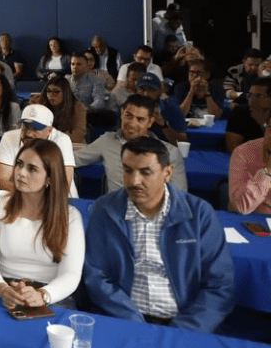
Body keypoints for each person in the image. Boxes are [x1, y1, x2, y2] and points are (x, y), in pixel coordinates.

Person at [83, 136, 234, 333]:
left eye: (145, 172)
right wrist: (132, 321)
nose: (134, 181)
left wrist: (184, 329)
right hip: (123, 319)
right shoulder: (104, 210)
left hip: (184, 323)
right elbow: (96, 276)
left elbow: (220, 285)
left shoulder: (199, 214)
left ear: (167, 172)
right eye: (127, 170)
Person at [0, 138, 85, 309]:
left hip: (53, 296)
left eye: (32, 169)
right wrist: (2, 289)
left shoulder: (71, 217)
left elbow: (71, 274)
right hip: (6, 291)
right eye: (19, 164)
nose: (21, 173)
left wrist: (43, 295)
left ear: (50, 178)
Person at [74, 94, 187, 193]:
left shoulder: (170, 152)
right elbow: (73, 159)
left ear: (150, 122)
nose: (132, 124)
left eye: (140, 119)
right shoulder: (107, 141)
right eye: (129, 116)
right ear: (122, 113)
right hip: (116, 208)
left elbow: (179, 196)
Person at [0, 105, 78, 198]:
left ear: (49, 130)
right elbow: (0, 180)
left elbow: (62, 185)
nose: (28, 133)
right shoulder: (9, 137)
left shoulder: (62, 140)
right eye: (26, 126)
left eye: (35, 128)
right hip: (21, 198)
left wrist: (29, 193)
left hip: (59, 200)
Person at [227, 117, 271, 214]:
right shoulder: (244, 152)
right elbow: (240, 206)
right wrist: (268, 171)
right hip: (252, 218)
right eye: (270, 128)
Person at [135, 73, 188, 144]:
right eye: (142, 89)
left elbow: (182, 141)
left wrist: (163, 124)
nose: (146, 94)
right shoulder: (127, 109)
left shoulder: (171, 108)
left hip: (164, 148)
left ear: (160, 90)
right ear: (136, 90)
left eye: (151, 90)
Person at [34, 76, 87, 144]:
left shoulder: (78, 107)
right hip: (46, 144)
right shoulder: (41, 106)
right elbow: (34, 132)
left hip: (72, 145)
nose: (51, 94)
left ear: (65, 93)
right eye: (48, 91)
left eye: (56, 92)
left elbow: (78, 136)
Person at [225, 77, 271, 153]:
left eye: (258, 96)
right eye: (250, 95)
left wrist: (264, 124)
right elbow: (233, 148)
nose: (251, 100)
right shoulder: (240, 114)